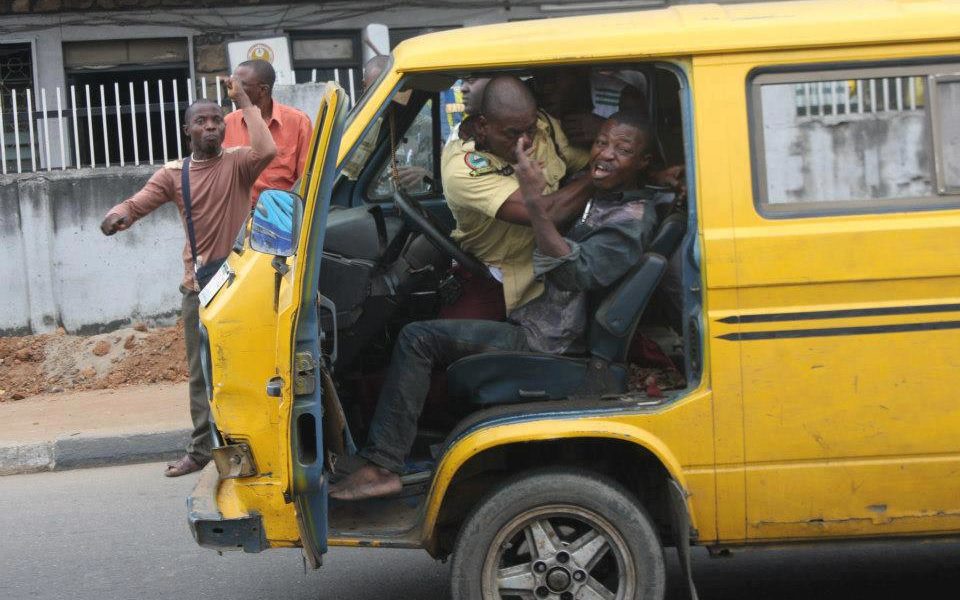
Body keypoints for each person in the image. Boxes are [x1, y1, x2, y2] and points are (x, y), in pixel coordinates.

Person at [330, 111, 657, 500]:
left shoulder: (630, 217)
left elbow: (574, 273)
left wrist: (535, 204)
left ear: (643, 162)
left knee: (418, 338)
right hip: (537, 320)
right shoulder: (603, 197)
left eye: (622, 150)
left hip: (549, 342)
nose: (605, 154)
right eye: (601, 143)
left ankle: (383, 465)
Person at [100, 79, 277, 477]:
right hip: (199, 288)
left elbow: (268, 149)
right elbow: (138, 202)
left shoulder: (239, 162)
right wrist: (119, 216)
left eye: (217, 120)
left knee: (246, 367)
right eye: (201, 121)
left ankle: (252, 446)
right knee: (202, 374)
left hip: (241, 287)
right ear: (187, 129)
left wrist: (244, 102)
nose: (211, 126)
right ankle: (200, 451)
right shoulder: (173, 174)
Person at [440, 75, 591, 318]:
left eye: (530, 129)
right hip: (497, 278)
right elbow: (545, 213)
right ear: (482, 126)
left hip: (556, 269)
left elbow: (589, 157)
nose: (526, 141)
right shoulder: (463, 168)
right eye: (512, 134)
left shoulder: (543, 128)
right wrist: (598, 178)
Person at [223, 59, 312, 207]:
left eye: (241, 85)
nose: (234, 89)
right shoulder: (228, 123)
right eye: (234, 82)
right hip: (239, 214)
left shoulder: (298, 122)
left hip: (282, 214)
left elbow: (307, 179)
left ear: (263, 90)